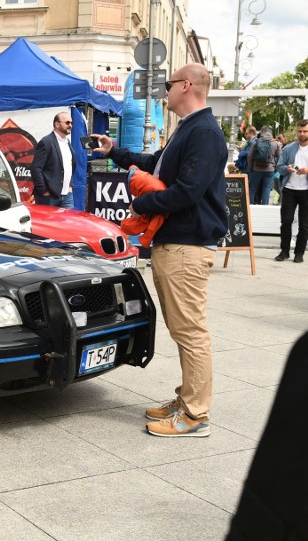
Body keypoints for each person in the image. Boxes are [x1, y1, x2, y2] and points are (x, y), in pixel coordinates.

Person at [91, 63, 228, 438]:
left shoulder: (204, 132)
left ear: (185, 86)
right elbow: (155, 166)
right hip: (177, 244)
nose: (163, 92)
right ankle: (186, 400)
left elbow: (187, 191)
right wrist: (115, 152)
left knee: (190, 331)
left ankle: (196, 415)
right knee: (184, 329)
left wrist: (142, 207)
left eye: (168, 86)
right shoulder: (190, 129)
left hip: (187, 245)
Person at [274, 119, 308, 263]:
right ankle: (284, 251)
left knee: (304, 224)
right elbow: (279, 167)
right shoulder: (289, 148)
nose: (302, 134)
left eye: (305, 131)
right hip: (289, 189)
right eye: (300, 131)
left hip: (306, 190)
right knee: (286, 221)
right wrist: (287, 168)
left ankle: (299, 253)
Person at [30, 112, 78, 208]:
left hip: (67, 196)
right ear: (57, 124)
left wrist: (70, 185)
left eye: (71, 123)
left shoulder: (67, 142)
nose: (70, 125)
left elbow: (70, 166)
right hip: (49, 197)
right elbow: (36, 168)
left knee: (68, 222)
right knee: (49, 223)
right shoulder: (46, 142)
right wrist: (44, 191)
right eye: (67, 123)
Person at [247, 125, 281, 205]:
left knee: (252, 189)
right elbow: (279, 157)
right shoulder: (276, 143)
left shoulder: (256, 142)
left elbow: (249, 156)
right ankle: (264, 207)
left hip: (256, 169)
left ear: (262, 132)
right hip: (270, 170)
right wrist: (275, 167)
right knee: (266, 189)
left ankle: (250, 207)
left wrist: (250, 167)